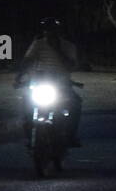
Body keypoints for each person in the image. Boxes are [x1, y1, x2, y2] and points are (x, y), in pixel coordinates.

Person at [17, 18, 82, 147]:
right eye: (47, 30)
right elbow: (27, 60)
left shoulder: (68, 46)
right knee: (26, 103)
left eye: (52, 30)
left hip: (61, 84)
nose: (49, 33)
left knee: (75, 104)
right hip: (40, 81)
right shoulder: (37, 44)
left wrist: (57, 49)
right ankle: (29, 134)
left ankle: (70, 135)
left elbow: (70, 66)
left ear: (58, 31)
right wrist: (19, 76)